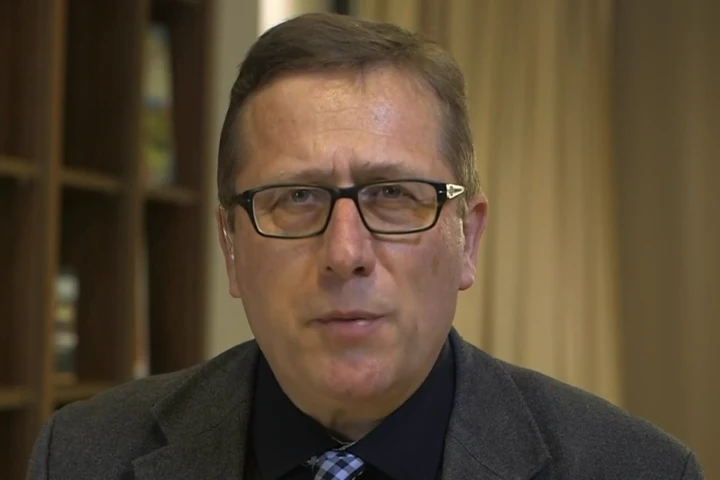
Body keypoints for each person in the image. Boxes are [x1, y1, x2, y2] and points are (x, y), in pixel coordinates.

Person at [27, 12, 703, 480]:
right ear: (231, 247)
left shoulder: (638, 469)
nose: (345, 251)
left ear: (467, 239)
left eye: (393, 195)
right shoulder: (84, 457)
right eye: (297, 197)